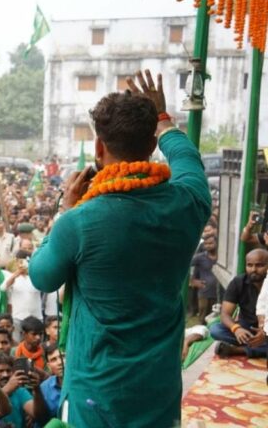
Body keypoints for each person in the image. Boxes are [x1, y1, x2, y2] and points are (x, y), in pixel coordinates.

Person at [29, 70, 212, 426]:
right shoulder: (189, 203)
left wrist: (67, 210)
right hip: (158, 389)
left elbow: (42, 276)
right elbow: (188, 161)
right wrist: (163, 119)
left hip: (97, 395)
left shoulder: (78, 222)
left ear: (99, 147)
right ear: (152, 145)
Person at [210, 248, 268, 357]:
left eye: (259, 265)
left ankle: (238, 350)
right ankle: (257, 347)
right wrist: (236, 329)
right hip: (246, 328)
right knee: (216, 330)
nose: (253, 269)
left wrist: (264, 333)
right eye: (249, 265)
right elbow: (225, 314)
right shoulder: (238, 282)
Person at [190, 236, 220, 325]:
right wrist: (192, 281)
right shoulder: (200, 257)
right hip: (204, 293)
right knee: (202, 320)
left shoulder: (222, 257)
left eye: (210, 243)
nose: (208, 246)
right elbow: (185, 265)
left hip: (220, 294)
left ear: (217, 243)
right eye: (206, 244)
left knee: (216, 320)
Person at [38, 343, 64, 421]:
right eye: (54, 360)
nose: (60, 362)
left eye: (62, 356)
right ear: (49, 366)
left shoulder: (82, 383)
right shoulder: (44, 388)